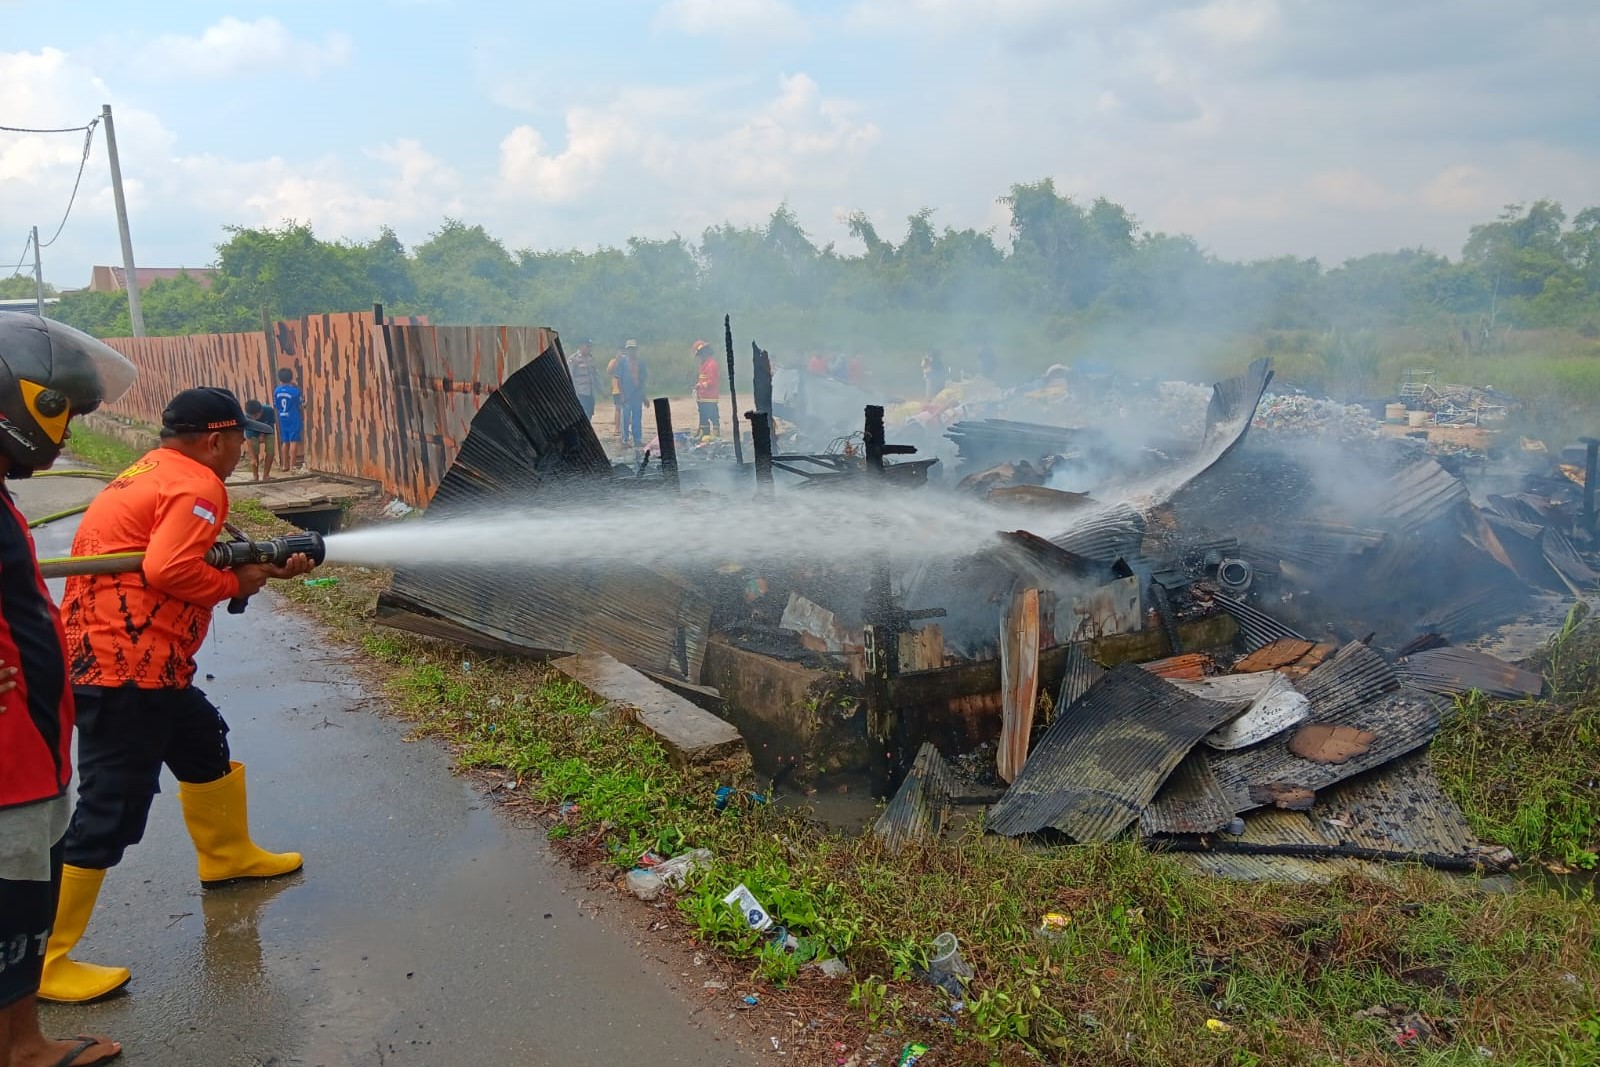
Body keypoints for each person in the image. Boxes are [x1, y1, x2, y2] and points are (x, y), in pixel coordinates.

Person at [40, 387, 315, 1004]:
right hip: (126, 667)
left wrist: (248, 570)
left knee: (200, 739)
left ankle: (229, 856)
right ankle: (43, 959)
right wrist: (232, 581)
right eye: (242, 438)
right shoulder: (198, 484)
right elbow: (168, 570)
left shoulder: (148, 470)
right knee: (110, 806)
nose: (244, 450)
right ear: (216, 440)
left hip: (127, 658)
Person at [0, 312, 136, 1065]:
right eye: (61, 412)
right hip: (9, 755)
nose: (66, 431)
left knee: (20, 891)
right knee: (14, 902)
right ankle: (20, 1048)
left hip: (30, 740)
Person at [616, 340, 648, 449]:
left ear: (636, 349)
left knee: (637, 417)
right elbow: (619, 379)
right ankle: (625, 440)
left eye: (633, 349)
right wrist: (622, 394)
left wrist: (644, 396)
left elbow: (642, 380)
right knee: (625, 417)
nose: (631, 351)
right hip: (627, 394)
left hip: (637, 395)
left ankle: (637, 439)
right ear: (627, 350)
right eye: (629, 349)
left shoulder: (641, 363)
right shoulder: (622, 362)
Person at [272, 368, 304, 471]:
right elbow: (300, 406)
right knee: (294, 441)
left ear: (280, 379)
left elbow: (276, 406)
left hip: (282, 417)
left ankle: (284, 465)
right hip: (293, 417)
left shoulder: (277, 391)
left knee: (285, 442)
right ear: (291, 378)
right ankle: (292, 466)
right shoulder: (295, 391)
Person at [691, 339, 721, 437]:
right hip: (702, 397)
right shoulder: (704, 364)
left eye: (701, 354)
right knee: (703, 418)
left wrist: (701, 385)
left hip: (710, 398)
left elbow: (713, 381)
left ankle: (715, 436)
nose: (700, 357)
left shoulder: (712, 364)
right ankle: (704, 436)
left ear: (705, 352)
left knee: (713, 417)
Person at [243, 399, 276, 482]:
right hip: (253, 433)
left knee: (271, 451)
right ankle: (255, 476)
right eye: (251, 416)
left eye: (256, 416)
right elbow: (248, 439)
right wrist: (252, 457)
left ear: (261, 411)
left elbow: (270, 424)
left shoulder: (269, 411)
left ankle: (266, 475)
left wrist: (262, 435)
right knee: (254, 453)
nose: (254, 418)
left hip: (268, 430)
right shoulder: (246, 418)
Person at [568, 339, 598, 419]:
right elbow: (570, 376)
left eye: (590, 346)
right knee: (582, 414)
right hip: (580, 392)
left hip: (590, 392)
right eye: (587, 346)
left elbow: (595, 375)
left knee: (589, 413)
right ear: (581, 346)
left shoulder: (590, 358)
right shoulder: (574, 359)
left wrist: (601, 390)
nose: (589, 348)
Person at [605, 349, 623, 438]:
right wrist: (617, 360)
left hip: (627, 389)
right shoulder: (614, 361)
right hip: (617, 389)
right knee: (618, 408)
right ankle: (617, 428)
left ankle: (625, 428)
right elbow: (609, 371)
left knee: (627, 409)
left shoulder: (627, 361)